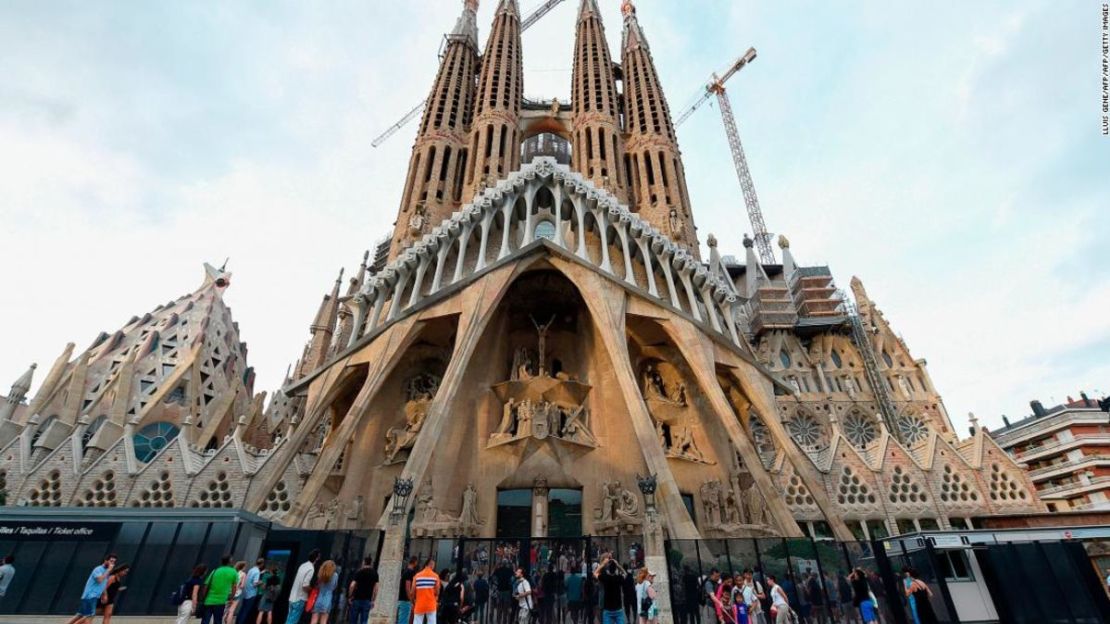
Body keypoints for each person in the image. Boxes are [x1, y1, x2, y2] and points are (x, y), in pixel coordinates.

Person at [64, 553, 116, 624]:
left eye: (114, 562)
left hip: (93, 596)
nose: (112, 563)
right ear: (106, 560)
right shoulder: (98, 569)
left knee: (79, 615)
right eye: (111, 561)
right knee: (90, 615)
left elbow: (103, 584)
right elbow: (100, 580)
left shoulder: (106, 572)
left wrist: (104, 594)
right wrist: (108, 570)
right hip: (90, 596)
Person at [202, 555, 241, 624]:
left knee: (205, 621)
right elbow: (234, 587)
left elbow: (206, 585)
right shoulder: (233, 572)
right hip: (221, 601)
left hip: (209, 600)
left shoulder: (215, 571)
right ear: (230, 561)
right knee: (217, 621)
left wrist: (204, 597)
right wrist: (231, 598)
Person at [287, 549, 321, 624]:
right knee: (292, 622)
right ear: (317, 558)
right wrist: (312, 590)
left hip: (292, 597)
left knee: (289, 620)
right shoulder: (311, 568)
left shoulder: (303, 565)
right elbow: (305, 585)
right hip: (300, 598)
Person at [595, 553, 626, 624]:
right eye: (609, 558)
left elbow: (595, 574)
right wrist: (617, 565)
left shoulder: (606, 576)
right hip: (608, 600)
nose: (610, 560)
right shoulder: (616, 576)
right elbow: (625, 574)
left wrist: (603, 564)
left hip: (608, 603)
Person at [348, 556, 379, 624]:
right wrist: (373, 600)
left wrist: (350, 596)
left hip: (357, 599)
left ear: (364, 562)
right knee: (364, 621)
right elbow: (376, 588)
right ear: (371, 563)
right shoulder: (374, 573)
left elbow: (352, 585)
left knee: (353, 620)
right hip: (367, 600)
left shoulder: (359, 572)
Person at [412, 557, 441, 624]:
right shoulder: (435, 576)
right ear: (431, 564)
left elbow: (412, 592)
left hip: (419, 604)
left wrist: (413, 601)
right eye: (433, 565)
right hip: (431, 604)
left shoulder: (417, 576)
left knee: (417, 622)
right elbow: (437, 592)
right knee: (432, 622)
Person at [237, 559, 265, 624]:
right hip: (251, 594)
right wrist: (260, 582)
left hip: (246, 593)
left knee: (242, 610)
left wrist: (261, 573)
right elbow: (255, 583)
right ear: (262, 564)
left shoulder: (251, 570)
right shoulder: (257, 571)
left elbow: (250, 579)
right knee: (246, 611)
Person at [311, 560, 339, 624]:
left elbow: (318, 586)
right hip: (327, 600)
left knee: (313, 621)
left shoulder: (321, 574)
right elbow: (334, 587)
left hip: (318, 599)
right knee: (323, 622)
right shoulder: (335, 575)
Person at [399, 556, 419, 624]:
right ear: (415, 562)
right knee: (404, 619)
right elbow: (408, 587)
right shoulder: (410, 572)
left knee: (402, 618)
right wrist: (411, 599)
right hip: (406, 599)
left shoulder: (405, 571)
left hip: (402, 598)